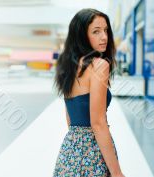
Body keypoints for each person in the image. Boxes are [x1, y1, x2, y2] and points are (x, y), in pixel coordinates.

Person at [53, 8, 125, 177]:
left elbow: (70, 119)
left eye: (106, 30)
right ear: (82, 36)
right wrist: (117, 172)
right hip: (93, 154)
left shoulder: (67, 66)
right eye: (96, 32)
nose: (104, 37)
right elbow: (98, 123)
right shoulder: (99, 66)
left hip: (69, 153)